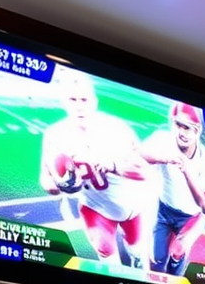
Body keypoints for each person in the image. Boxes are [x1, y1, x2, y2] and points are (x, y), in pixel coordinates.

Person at [39, 69, 149, 269]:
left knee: (137, 251)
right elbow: (45, 179)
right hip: (94, 205)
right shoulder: (54, 135)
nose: (79, 106)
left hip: (130, 205)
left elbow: (143, 171)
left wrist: (111, 165)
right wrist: (60, 183)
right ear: (64, 101)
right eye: (73, 99)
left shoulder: (117, 129)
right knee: (106, 254)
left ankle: (136, 260)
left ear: (94, 102)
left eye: (84, 99)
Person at [140, 102, 205, 275]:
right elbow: (141, 153)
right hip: (164, 209)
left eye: (188, 127)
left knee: (178, 250)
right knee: (156, 259)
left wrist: (187, 174)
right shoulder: (163, 139)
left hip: (192, 216)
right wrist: (164, 158)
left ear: (197, 131)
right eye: (179, 125)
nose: (182, 132)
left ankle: (176, 277)